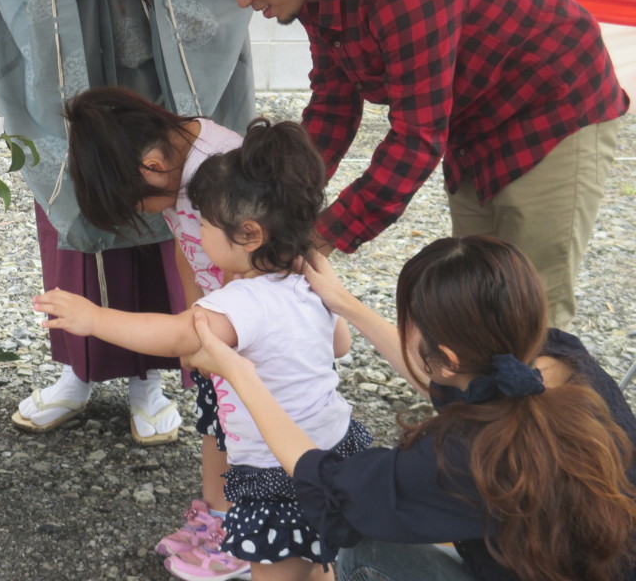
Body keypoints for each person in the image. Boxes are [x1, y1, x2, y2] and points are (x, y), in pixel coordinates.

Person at [189, 0, 630, 329]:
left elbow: (417, 138)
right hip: (474, 121)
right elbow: (333, 106)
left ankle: (546, 399)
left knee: (533, 298)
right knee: (481, 284)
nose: (243, 1)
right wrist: (273, 197)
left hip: (554, 111)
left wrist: (324, 233)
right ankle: (485, 398)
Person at [0, 0, 255, 445]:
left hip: (160, 64)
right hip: (67, 52)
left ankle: (149, 380)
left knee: (168, 199)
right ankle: (75, 369)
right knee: (83, 191)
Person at [183, 235, 636, 581]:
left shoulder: (464, 454)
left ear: (450, 358)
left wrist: (239, 372)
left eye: (408, 322)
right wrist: (344, 304)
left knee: (359, 547)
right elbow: (452, 375)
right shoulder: (558, 360)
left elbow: (328, 484)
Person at [36, 119, 371, 581]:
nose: (199, 233)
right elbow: (342, 343)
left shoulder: (238, 302)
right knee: (319, 559)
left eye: (207, 224)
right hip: (337, 448)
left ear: (249, 234)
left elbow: (178, 335)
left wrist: (94, 318)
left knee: (277, 570)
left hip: (279, 473)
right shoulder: (310, 282)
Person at [64, 87, 243, 568]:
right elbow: (188, 251)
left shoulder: (221, 168)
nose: (143, 213)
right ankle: (217, 516)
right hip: (220, 326)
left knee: (251, 435)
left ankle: (250, 536)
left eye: (135, 204)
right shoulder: (174, 166)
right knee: (216, 420)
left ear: (152, 166)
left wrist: (210, 334)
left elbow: (244, 269)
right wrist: (194, 320)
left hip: (252, 332)